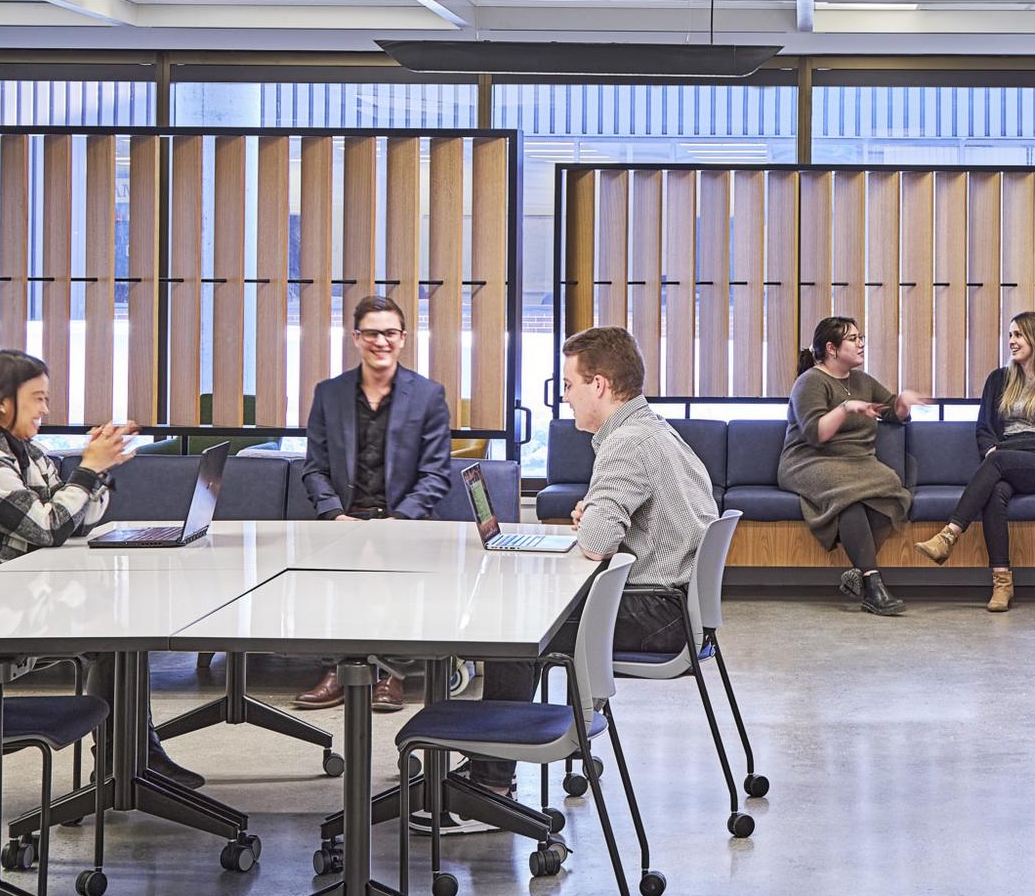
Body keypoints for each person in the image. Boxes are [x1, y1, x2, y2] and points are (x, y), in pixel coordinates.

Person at [466, 326, 719, 795]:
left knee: (515, 631)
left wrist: (593, 520)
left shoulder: (627, 443)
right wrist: (598, 516)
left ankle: (489, 784)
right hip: (677, 605)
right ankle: (491, 762)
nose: (565, 397)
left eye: (568, 385)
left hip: (657, 612)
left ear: (598, 385)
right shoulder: (654, 430)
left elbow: (598, 543)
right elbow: (615, 523)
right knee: (527, 619)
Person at [0, 350, 194, 783]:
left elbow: (77, 519)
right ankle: (126, 760)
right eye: (38, 399)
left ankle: (131, 757)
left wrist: (98, 472)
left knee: (125, 624)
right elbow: (48, 527)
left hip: (19, 594)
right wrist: (87, 470)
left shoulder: (28, 453)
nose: (46, 410)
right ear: (0, 401)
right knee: (119, 628)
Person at [294, 293, 453, 713]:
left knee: (400, 580)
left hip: (407, 522)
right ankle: (339, 671)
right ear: (356, 337)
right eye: (371, 333)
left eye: (389, 333)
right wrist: (335, 514)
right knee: (334, 581)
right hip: (345, 517)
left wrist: (399, 520)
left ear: (403, 338)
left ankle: (392, 675)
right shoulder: (329, 393)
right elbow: (314, 467)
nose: (380, 341)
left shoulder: (428, 395)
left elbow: (436, 474)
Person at [913, 311, 1035, 612]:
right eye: (1010, 335)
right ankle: (1002, 581)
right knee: (997, 492)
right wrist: (994, 448)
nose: (1011, 341)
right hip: (1005, 463)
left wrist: (1001, 448)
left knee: (998, 463)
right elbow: (984, 428)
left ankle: (949, 535)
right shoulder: (999, 379)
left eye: (1018, 335)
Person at [780, 316, 925, 617]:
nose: (861, 343)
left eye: (862, 337)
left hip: (856, 462)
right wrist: (845, 408)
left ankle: (858, 574)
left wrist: (903, 404)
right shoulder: (810, 382)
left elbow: (891, 410)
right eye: (854, 339)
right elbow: (815, 434)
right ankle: (874, 586)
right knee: (849, 498)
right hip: (809, 460)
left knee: (893, 489)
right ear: (832, 349)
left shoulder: (862, 380)